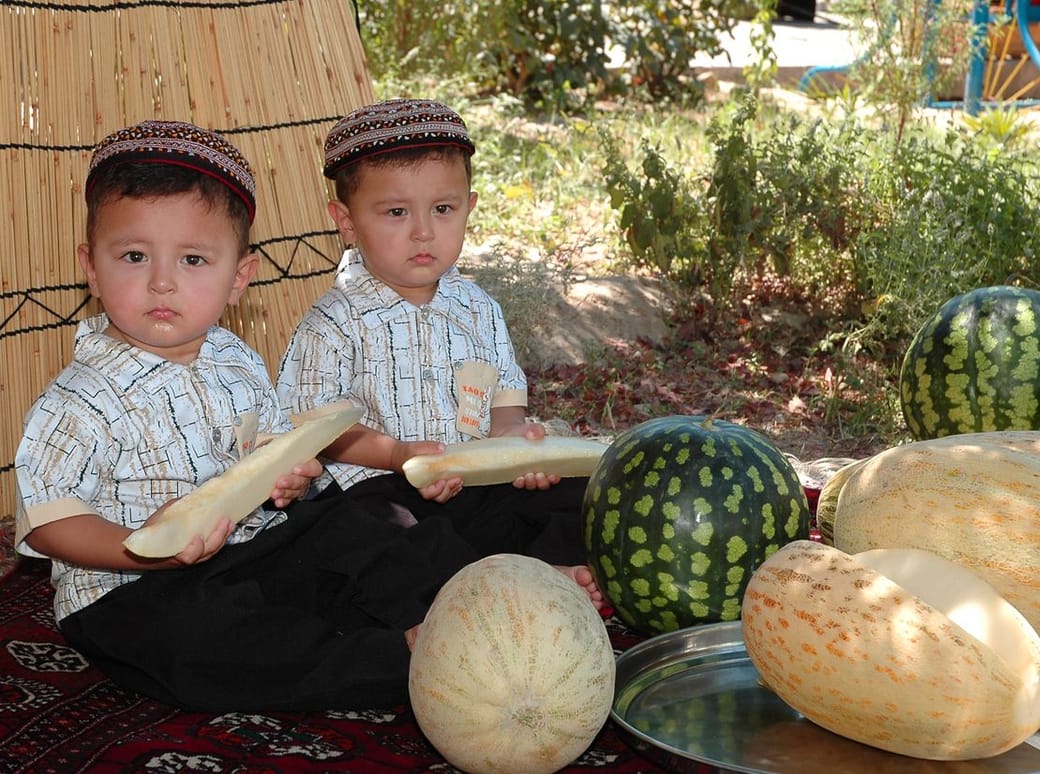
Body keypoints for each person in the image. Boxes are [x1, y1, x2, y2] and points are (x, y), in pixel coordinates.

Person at [14, 119, 603, 712]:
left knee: (362, 537)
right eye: (135, 256)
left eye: (193, 259)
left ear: (238, 278)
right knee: (213, 639)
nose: (162, 282)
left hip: (255, 547)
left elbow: (276, 458)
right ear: (92, 267)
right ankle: (401, 657)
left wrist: (288, 480)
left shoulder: (238, 362)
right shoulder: (77, 399)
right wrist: (140, 547)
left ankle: (497, 599)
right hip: (131, 589)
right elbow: (47, 524)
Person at [276, 98, 590, 565]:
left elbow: (504, 404)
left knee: (579, 496)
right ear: (346, 221)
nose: (423, 232)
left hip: (474, 480)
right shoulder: (332, 323)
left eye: (443, 208)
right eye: (396, 213)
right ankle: (490, 580)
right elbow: (321, 431)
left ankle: (541, 576)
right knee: (365, 540)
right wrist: (398, 455)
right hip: (381, 489)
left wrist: (514, 440)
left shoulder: (479, 309)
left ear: (469, 208)